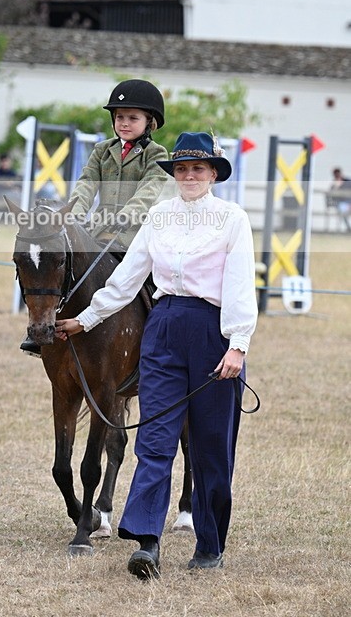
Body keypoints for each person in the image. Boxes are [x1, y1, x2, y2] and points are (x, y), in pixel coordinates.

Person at [55, 131, 258, 579]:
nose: (189, 176)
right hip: (163, 328)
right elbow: (127, 278)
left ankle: (210, 544)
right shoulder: (160, 216)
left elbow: (241, 284)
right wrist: (85, 319)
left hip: (212, 330)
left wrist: (238, 344)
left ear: (213, 174)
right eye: (182, 169)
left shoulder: (232, 219)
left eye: (198, 168)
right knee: (154, 440)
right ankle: (147, 542)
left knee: (210, 446)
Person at [20, 79, 170, 357]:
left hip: (135, 234)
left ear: (150, 122)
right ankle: (42, 330)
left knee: (155, 283)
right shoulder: (102, 151)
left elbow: (149, 191)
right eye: (120, 117)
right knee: (61, 269)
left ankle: (159, 339)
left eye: (133, 118)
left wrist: (127, 215)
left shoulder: (156, 154)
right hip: (97, 232)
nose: (124, 123)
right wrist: (73, 216)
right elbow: (86, 184)